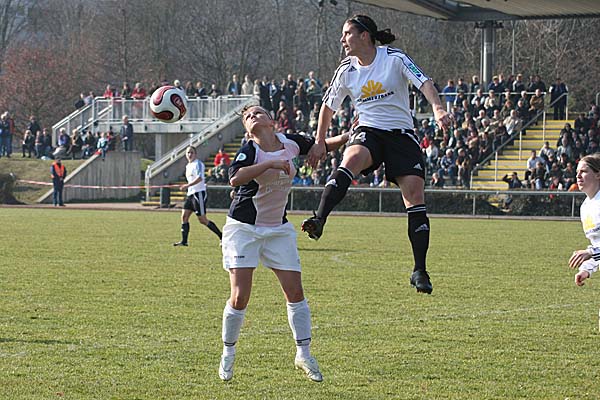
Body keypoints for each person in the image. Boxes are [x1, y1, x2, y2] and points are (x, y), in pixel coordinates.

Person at [301, 15, 452, 294]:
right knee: (351, 159)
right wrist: (320, 141)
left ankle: (419, 270)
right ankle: (319, 219)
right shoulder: (346, 69)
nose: (342, 39)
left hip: (401, 134)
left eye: (347, 33)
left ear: (364, 36)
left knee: (414, 195)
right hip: (368, 130)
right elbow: (328, 107)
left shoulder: (394, 58)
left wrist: (438, 108)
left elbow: (424, 83)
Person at [218, 105, 349, 382]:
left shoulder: (290, 142)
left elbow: (321, 146)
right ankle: (228, 353)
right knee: (240, 296)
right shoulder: (250, 150)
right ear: (247, 130)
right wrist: (270, 164)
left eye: (258, 113)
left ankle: (303, 354)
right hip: (243, 229)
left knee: (295, 292)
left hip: (278, 229)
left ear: (271, 121)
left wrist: (350, 135)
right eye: (247, 116)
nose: (252, 116)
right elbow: (235, 177)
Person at [173, 146, 222, 247]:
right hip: (190, 194)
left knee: (203, 220)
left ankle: (222, 237)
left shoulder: (198, 164)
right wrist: (187, 186)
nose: (190, 154)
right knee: (184, 216)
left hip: (198, 193)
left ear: (195, 154)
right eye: (188, 153)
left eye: (192, 152)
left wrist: (187, 185)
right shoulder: (188, 166)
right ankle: (184, 241)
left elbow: (200, 178)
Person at [569, 154, 600, 286]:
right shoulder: (585, 207)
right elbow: (597, 246)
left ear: (598, 174)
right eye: (577, 172)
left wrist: (590, 252)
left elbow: (595, 251)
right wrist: (586, 269)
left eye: (583, 171)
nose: (578, 176)